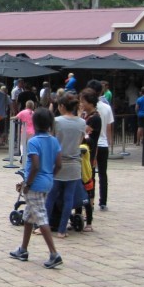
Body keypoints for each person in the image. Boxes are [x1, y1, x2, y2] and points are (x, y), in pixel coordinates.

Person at [9, 107, 63, 269]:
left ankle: (54, 253)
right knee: (28, 217)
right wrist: (50, 176)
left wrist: (28, 184)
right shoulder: (54, 141)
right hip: (48, 181)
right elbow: (59, 164)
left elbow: (35, 166)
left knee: (40, 217)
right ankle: (23, 249)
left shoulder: (33, 141)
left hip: (35, 183)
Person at [47, 92, 87, 238]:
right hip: (74, 163)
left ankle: (43, 226)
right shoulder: (82, 122)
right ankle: (62, 230)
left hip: (58, 162)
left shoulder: (56, 121)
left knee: (51, 196)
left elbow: (51, 139)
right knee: (68, 198)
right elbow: (81, 140)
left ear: (62, 106)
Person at [86, 80, 113, 211]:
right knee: (103, 173)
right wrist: (109, 142)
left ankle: (90, 199)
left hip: (92, 144)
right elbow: (109, 127)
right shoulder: (107, 107)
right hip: (103, 143)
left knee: (90, 174)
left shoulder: (88, 109)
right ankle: (103, 201)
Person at [79, 88, 101, 231]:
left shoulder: (94, 118)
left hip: (87, 155)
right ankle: (82, 215)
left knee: (88, 185)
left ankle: (89, 217)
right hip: (85, 155)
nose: (81, 103)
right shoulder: (89, 116)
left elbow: (83, 132)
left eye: (83, 101)